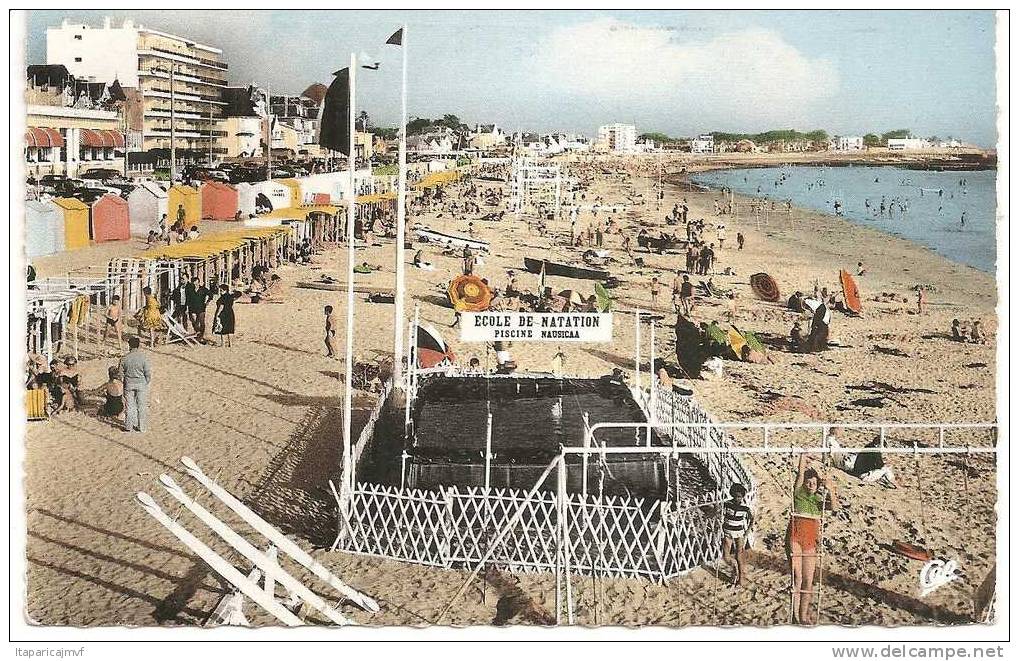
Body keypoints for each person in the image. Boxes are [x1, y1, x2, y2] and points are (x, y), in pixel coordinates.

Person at [788, 454, 839, 625]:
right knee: (797, 578)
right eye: (808, 483)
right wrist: (803, 455)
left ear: (817, 486)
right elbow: (800, 473)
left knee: (809, 580)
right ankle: (794, 615)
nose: (811, 485)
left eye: (814, 483)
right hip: (795, 539)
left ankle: (803, 615)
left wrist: (831, 489)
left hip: (810, 542)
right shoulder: (798, 494)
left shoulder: (819, 501)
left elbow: (834, 507)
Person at [826, 427, 897, 488]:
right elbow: (879, 465)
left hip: (858, 471)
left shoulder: (868, 447)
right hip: (863, 475)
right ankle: (896, 484)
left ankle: (891, 481)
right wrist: (887, 464)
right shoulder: (874, 451)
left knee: (884, 469)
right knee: (886, 469)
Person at [722, 483, 753, 587]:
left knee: (739, 556)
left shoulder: (745, 508)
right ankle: (734, 568)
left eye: (739, 496)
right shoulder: (727, 504)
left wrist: (747, 532)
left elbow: (752, 519)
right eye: (735, 496)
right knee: (726, 556)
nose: (737, 498)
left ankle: (741, 578)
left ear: (742, 496)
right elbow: (720, 513)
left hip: (739, 533)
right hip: (727, 532)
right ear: (732, 495)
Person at [119, 336, 152, 433]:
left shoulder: (124, 358)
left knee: (129, 406)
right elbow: (148, 374)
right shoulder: (143, 358)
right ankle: (142, 427)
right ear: (138, 345)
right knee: (141, 406)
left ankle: (128, 426)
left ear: (129, 345)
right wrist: (146, 383)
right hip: (141, 383)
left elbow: (120, 374)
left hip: (129, 383)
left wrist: (124, 382)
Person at [185, 276, 213, 344]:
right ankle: (198, 332)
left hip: (201, 308)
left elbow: (211, 295)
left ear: (199, 282)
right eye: (194, 283)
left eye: (196, 283)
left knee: (202, 322)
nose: (195, 285)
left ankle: (200, 337)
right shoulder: (190, 290)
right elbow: (187, 299)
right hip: (192, 308)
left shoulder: (203, 289)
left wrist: (207, 302)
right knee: (193, 320)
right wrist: (186, 307)